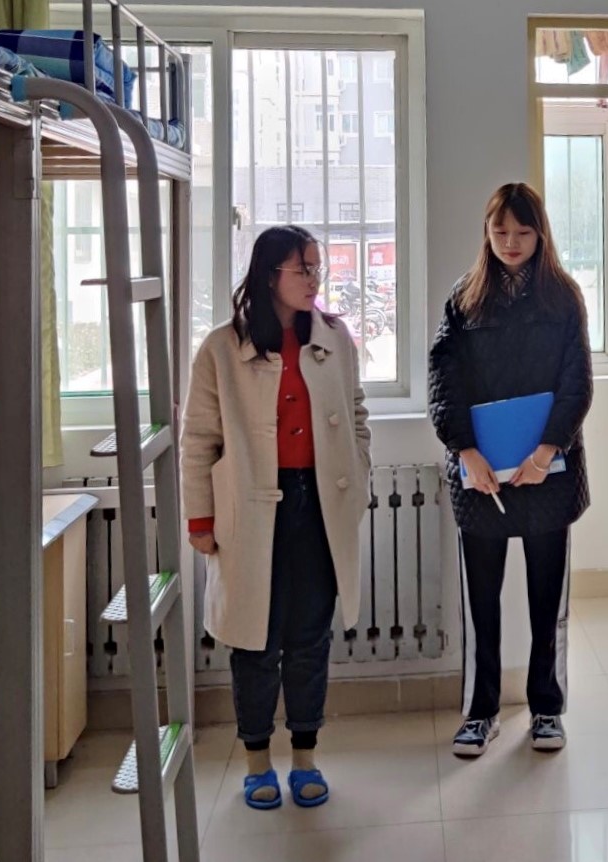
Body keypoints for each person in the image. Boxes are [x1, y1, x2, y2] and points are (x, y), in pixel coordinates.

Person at [181, 225, 372, 811]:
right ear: (269, 276)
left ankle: (306, 757)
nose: (314, 279)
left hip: (320, 505)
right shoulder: (221, 348)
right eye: (302, 269)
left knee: (311, 636)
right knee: (254, 639)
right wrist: (199, 518)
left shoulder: (335, 338)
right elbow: (199, 440)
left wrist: (359, 472)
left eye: (317, 267)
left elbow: (357, 414)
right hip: (250, 506)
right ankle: (257, 761)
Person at [429, 183, 593, 757]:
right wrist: (465, 450)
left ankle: (547, 708)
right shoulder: (465, 296)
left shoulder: (564, 297)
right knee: (482, 604)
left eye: (523, 232)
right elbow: (443, 381)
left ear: (541, 233)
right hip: (480, 477)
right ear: (487, 232)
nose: (511, 243)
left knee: (548, 601)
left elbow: (577, 383)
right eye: (500, 232)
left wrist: (547, 452)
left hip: (548, 471)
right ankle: (481, 713)